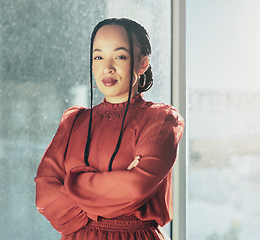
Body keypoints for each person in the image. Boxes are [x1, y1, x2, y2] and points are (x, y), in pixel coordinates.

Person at [34, 18, 184, 240]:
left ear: (143, 63)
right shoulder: (73, 122)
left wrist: (71, 182)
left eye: (120, 56)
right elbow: (45, 197)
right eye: (98, 56)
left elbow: (136, 187)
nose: (108, 67)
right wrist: (119, 181)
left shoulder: (160, 119)